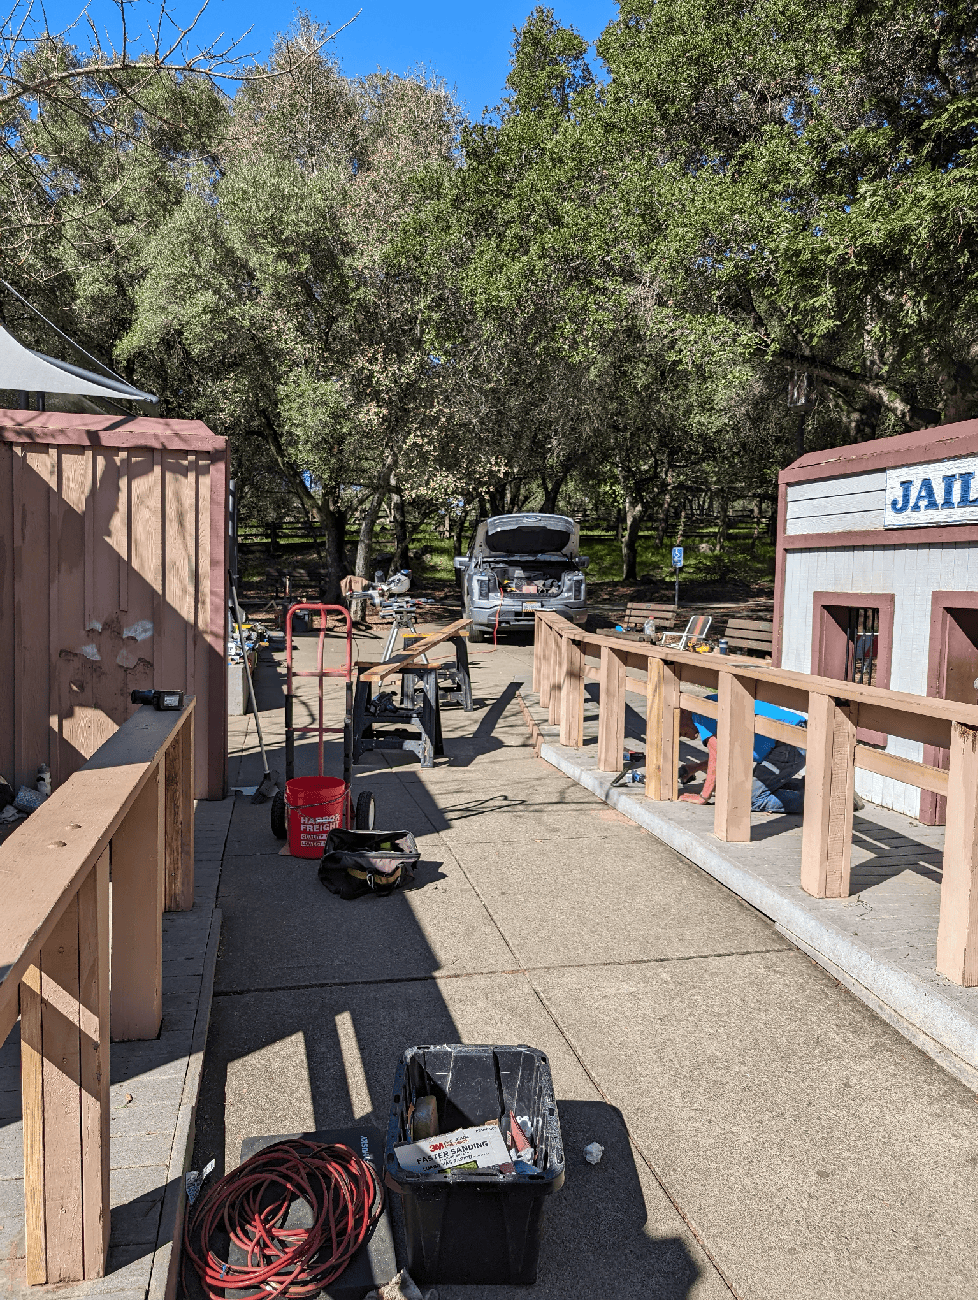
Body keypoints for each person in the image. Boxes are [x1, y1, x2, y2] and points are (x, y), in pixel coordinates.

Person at [677, 696, 808, 814]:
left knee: (747, 799)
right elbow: (724, 754)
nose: (680, 735)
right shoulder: (706, 706)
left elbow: (716, 756)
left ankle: (818, 805)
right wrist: (696, 767)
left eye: (679, 730)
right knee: (753, 788)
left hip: (790, 741)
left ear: (683, 712)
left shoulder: (700, 714)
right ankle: (809, 789)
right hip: (792, 738)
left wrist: (703, 797)